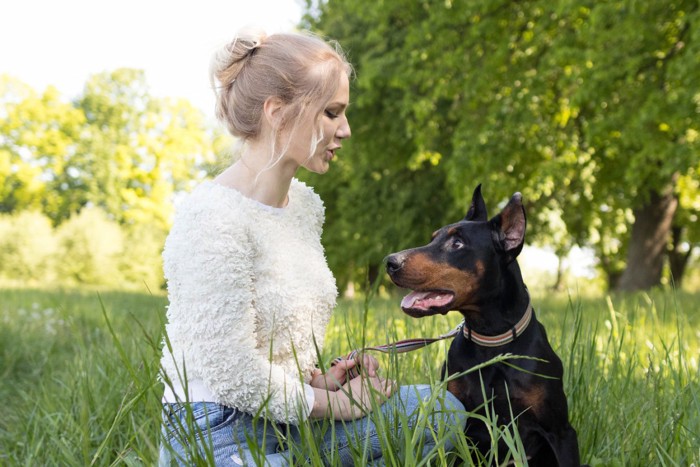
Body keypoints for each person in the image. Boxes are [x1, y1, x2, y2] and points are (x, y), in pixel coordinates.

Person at [158, 28, 466, 466]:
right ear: (277, 112)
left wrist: (322, 381)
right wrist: (338, 406)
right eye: (331, 112)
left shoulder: (304, 207)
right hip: (216, 434)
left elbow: (281, 338)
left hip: (292, 418)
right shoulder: (210, 218)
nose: (346, 130)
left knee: (441, 413)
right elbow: (229, 370)